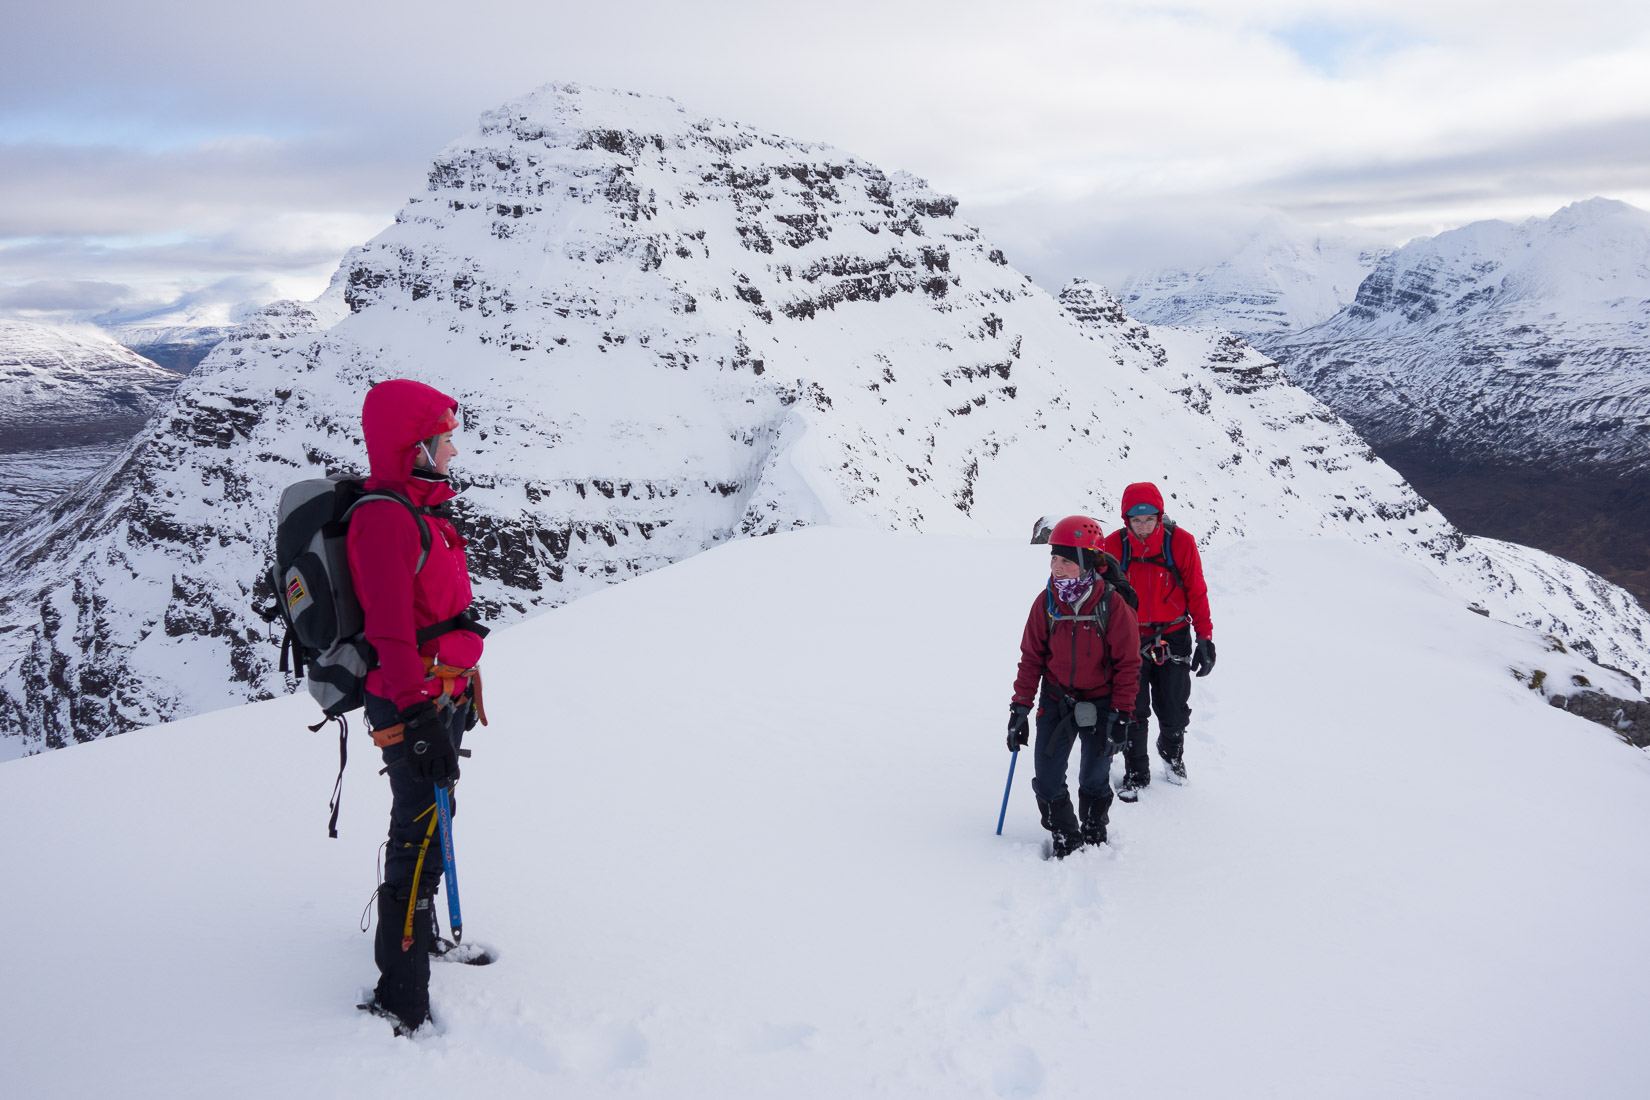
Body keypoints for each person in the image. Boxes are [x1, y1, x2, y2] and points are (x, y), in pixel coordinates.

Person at [349, 378, 488, 1034]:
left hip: (441, 693)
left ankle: (419, 930)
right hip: (414, 701)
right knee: (418, 829)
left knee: (435, 815)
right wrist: (420, 715)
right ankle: (400, 993)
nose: (453, 451)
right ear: (415, 447)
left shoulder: (420, 508)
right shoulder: (385, 518)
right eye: (443, 439)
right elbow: (390, 632)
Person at [1007, 515, 1142, 858]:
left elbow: (1129, 665)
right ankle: (1066, 834)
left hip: (1103, 701)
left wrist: (1122, 715)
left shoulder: (1113, 606)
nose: (1057, 567)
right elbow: (1031, 659)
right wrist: (1020, 708)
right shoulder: (1047, 602)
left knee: (1094, 778)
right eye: (1054, 558)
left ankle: (1094, 828)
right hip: (1056, 699)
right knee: (1048, 778)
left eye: (1067, 560)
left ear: (1086, 563)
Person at [1100, 483, 1214, 797]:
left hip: (1173, 634)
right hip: (1129, 635)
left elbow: (1196, 590)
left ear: (1159, 515)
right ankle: (1136, 771)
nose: (1143, 526)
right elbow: (1099, 595)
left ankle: (1171, 752)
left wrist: (1205, 637)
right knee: (1133, 708)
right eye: (1136, 521)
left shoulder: (1180, 543)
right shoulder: (1113, 546)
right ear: (1126, 520)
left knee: (1174, 706)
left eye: (1149, 519)